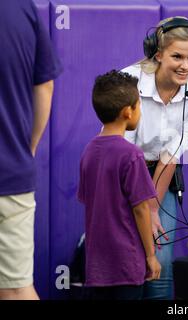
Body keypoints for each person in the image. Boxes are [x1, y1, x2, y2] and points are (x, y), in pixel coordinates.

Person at [122, 16, 188, 299]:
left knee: (161, 261)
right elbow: (126, 153)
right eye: (177, 56)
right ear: (158, 54)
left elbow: (172, 152)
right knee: (128, 259)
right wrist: (142, 207)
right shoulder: (130, 81)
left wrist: (152, 208)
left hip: (161, 177)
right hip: (123, 173)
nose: (186, 65)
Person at [77, 70, 161, 300]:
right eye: (139, 106)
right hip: (128, 264)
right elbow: (141, 209)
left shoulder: (88, 152)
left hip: (97, 268)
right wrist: (151, 256)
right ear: (127, 112)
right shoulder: (131, 154)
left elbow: (89, 201)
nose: (140, 113)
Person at [0, 0, 62, 300]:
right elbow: (44, 85)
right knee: (15, 290)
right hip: (13, 174)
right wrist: (27, 149)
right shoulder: (21, 6)